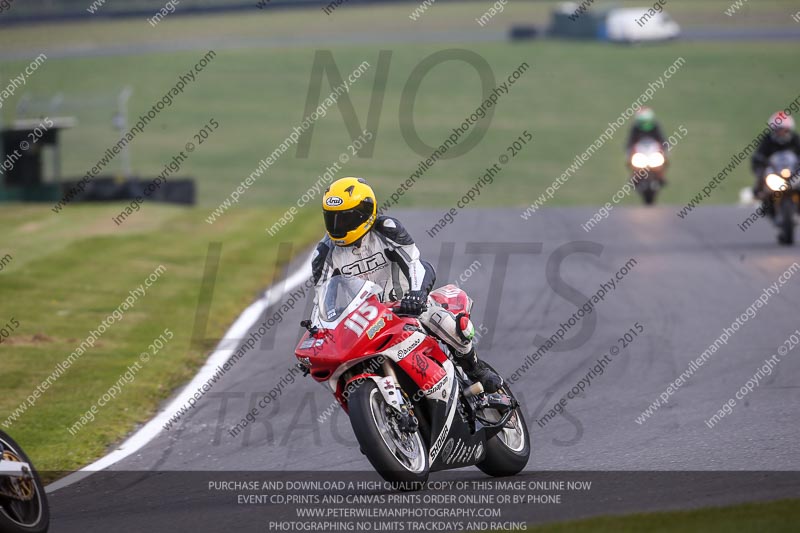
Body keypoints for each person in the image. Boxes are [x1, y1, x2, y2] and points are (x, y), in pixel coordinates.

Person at [311, 176, 503, 393]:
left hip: (406, 305)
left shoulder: (386, 229)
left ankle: (475, 369)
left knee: (449, 325)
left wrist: (417, 295)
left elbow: (415, 263)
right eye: (332, 218)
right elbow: (320, 299)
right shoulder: (325, 253)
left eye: (344, 219)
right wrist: (318, 335)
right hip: (367, 321)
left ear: (364, 213)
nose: (337, 226)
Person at [751, 111, 800, 198]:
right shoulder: (768, 140)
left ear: (788, 129)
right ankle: (760, 193)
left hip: (792, 171)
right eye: (778, 129)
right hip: (775, 171)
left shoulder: (795, 139)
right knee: (762, 178)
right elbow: (759, 154)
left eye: (783, 129)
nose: (780, 132)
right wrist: (759, 163)